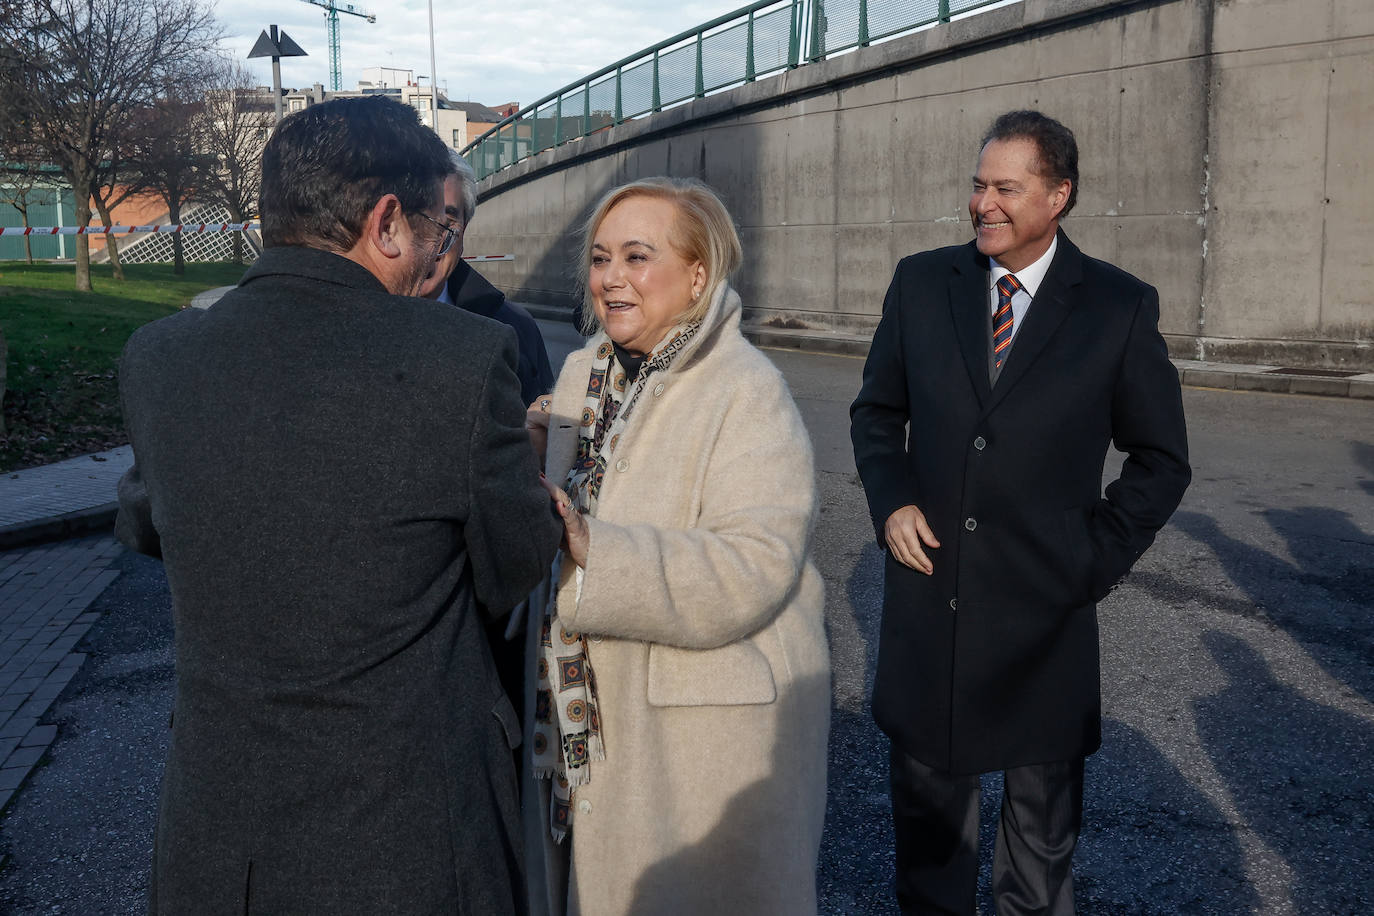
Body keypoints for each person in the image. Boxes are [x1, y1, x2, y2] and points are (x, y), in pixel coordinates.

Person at [114, 96, 561, 914]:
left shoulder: (158, 358)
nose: (437, 259)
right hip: (415, 838)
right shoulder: (462, 359)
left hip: (220, 841)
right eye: (436, 231)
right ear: (388, 223)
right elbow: (515, 567)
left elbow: (147, 520)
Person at [850, 110, 1191, 915]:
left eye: (1007, 188)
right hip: (933, 608)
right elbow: (875, 413)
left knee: (1038, 861)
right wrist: (893, 498)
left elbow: (1162, 460)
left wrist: (1091, 560)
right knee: (931, 852)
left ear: (1058, 196)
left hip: (1045, 622)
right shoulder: (922, 282)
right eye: (978, 185)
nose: (984, 204)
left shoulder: (1117, 306)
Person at [525, 177, 830, 915]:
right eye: (601, 259)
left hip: (694, 745)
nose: (612, 278)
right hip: (581, 724)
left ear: (699, 275)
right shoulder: (583, 376)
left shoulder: (745, 390)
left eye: (637, 256)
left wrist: (594, 545)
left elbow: (754, 564)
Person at [418, 152, 555, 407]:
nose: (431, 245)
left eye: (446, 225)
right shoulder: (353, 323)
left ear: (464, 231)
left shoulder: (516, 329)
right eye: (416, 221)